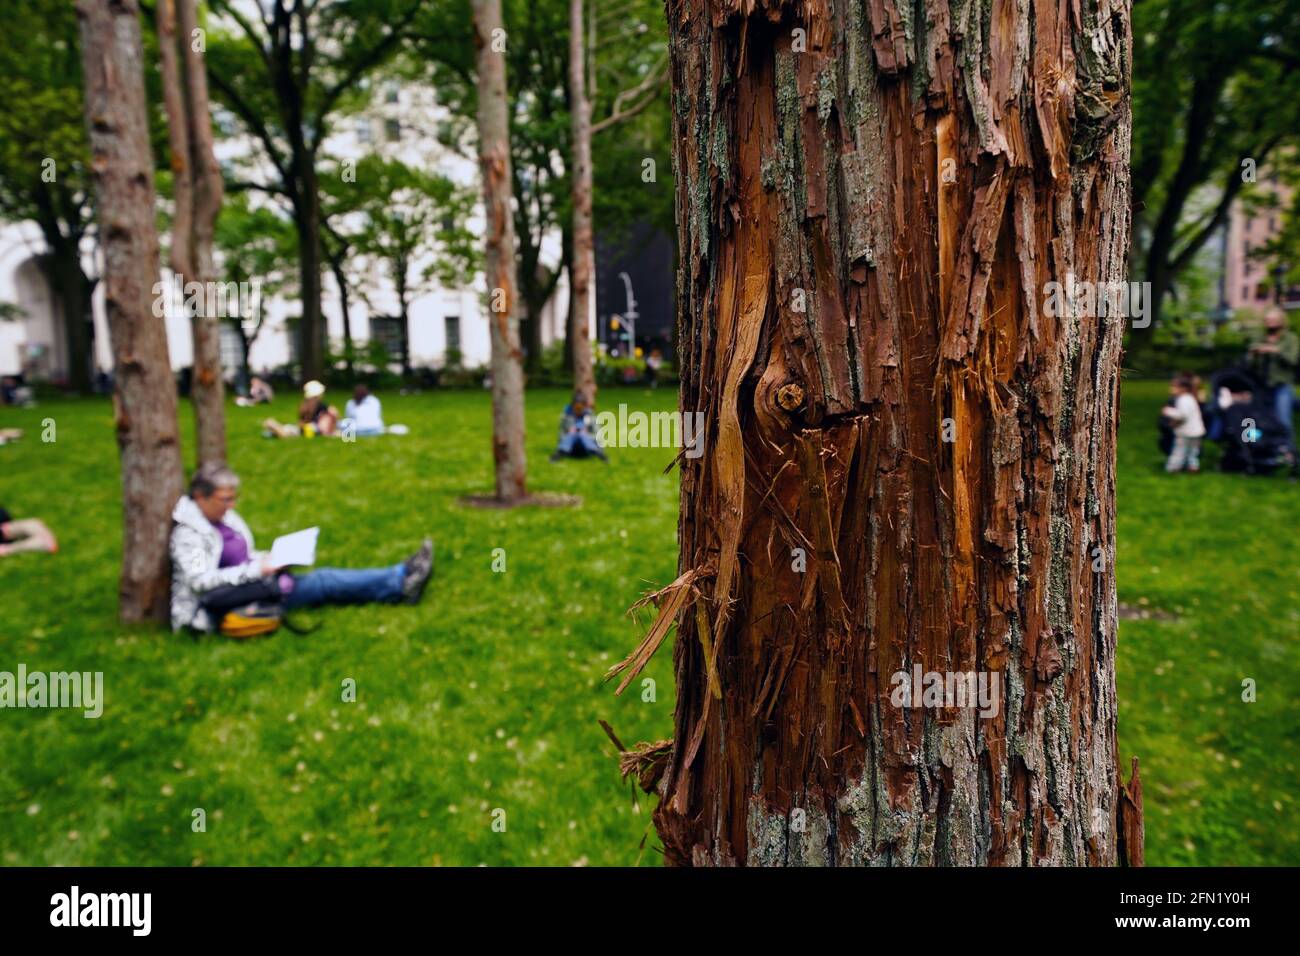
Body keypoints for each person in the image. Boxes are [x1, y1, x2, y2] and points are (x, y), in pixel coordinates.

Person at [169, 463, 434, 633]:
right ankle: (400, 582)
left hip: (254, 583)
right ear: (201, 497)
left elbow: (241, 557)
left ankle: (400, 575)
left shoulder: (222, 518)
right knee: (324, 580)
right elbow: (200, 582)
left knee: (322, 580)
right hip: (224, 604)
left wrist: (270, 558)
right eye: (225, 499)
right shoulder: (188, 534)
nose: (232, 505)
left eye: (233, 498)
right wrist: (258, 569)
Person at [1246, 308, 1299, 442]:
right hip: (1259, 384)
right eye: (1267, 320)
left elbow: (1292, 360)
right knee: (1253, 417)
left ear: (1281, 321)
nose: (1270, 323)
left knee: (1282, 418)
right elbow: (1249, 364)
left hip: (1281, 385)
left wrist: (1275, 350)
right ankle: (1252, 447)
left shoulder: (1290, 339)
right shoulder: (1259, 338)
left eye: (1273, 320)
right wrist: (1254, 355)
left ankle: (1286, 450)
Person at [1161, 374, 1206, 473]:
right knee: (1193, 451)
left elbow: (1182, 415)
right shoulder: (1190, 398)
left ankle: (1173, 468)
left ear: (1183, 388)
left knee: (1179, 450)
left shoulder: (1183, 399)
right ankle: (1193, 467)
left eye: (1174, 387)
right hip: (1196, 431)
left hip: (1185, 432)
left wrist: (1168, 411)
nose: (1171, 389)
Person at [549, 392, 607, 462]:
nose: (578, 411)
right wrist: (569, 432)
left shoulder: (591, 416)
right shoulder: (566, 416)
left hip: (586, 448)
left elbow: (598, 436)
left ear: (585, 407)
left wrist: (586, 434)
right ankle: (559, 453)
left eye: (580, 408)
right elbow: (561, 435)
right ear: (572, 406)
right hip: (570, 448)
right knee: (572, 434)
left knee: (582, 435)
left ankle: (598, 453)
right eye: (576, 408)